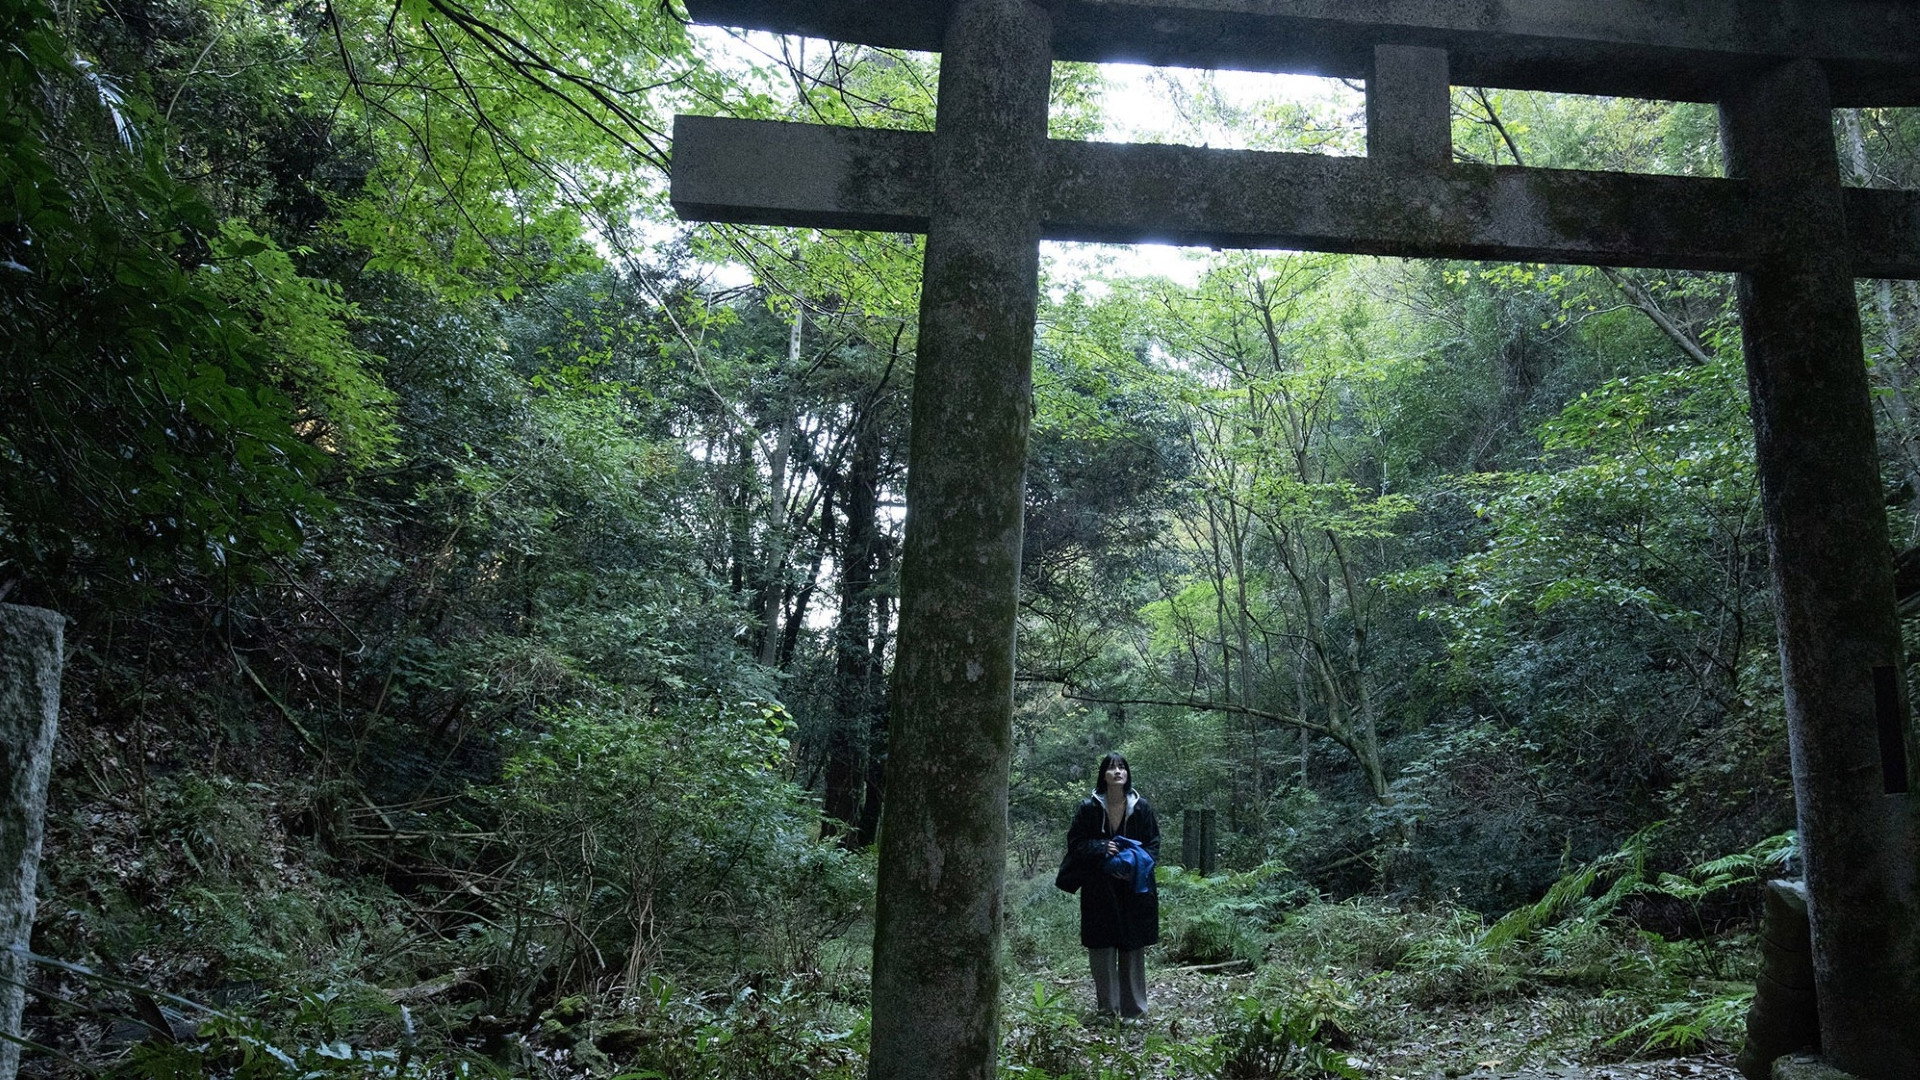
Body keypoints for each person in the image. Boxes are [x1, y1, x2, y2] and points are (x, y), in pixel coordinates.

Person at [1060, 752, 1160, 1018]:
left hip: (1134, 888)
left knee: (1132, 947)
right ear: (1103, 774)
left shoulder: (1142, 808)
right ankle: (1108, 1011)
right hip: (1099, 889)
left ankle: (1134, 1012)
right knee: (1102, 948)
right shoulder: (1088, 808)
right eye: (1112, 767)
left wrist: (1133, 867)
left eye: (1122, 767)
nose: (1118, 771)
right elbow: (1075, 844)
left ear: (1127, 774)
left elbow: (1153, 845)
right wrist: (1101, 846)